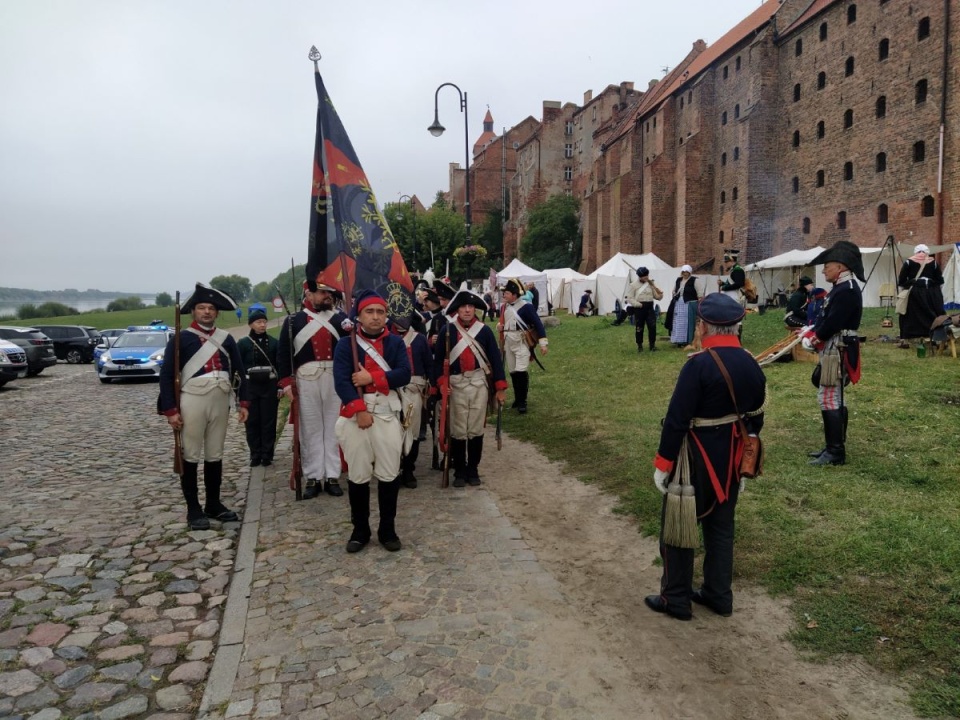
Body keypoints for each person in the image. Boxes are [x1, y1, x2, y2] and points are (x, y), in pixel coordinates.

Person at [645, 293, 766, 621]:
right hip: (731, 458)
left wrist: (662, 463)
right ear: (736, 326)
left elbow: (676, 419)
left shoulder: (698, 364)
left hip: (694, 456)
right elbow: (756, 417)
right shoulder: (752, 363)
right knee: (722, 527)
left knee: (679, 526)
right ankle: (718, 594)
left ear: (703, 326)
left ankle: (676, 598)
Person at [159, 283, 249, 531]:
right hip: (192, 400)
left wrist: (244, 401)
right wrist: (171, 411)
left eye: (211, 308)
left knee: (215, 453)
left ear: (216, 313)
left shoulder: (226, 339)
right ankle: (193, 509)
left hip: (221, 399)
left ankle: (213, 503)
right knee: (189, 454)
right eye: (201, 308)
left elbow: (240, 371)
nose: (207, 312)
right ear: (193, 312)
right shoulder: (181, 339)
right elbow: (167, 376)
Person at [334, 290, 411, 553]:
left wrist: (372, 378)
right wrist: (359, 410)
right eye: (370, 312)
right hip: (358, 414)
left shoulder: (396, 343)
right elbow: (342, 381)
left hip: (386, 412)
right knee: (358, 475)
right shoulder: (346, 345)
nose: (376, 317)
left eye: (380, 312)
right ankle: (360, 529)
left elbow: (404, 374)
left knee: (390, 474)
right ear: (359, 316)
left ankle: (387, 529)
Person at [277, 279, 348, 499]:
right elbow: (283, 354)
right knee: (311, 429)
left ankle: (332, 475)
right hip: (306, 380)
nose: (327, 296)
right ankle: (314, 476)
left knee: (334, 427)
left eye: (328, 292)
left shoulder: (340, 320)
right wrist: (286, 383)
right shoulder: (293, 322)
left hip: (335, 379)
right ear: (308, 295)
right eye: (321, 292)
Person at [798, 241, 864, 466]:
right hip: (835, 343)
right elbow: (827, 317)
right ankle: (834, 446)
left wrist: (816, 337)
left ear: (841, 267)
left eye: (828, 266)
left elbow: (834, 321)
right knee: (831, 392)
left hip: (838, 345)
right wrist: (812, 329)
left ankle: (836, 451)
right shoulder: (842, 288)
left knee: (828, 394)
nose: (824, 270)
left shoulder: (847, 289)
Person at [434, 290, 507, 486]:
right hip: (455, 384)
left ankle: (472, 469)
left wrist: (500, 387)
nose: (467, 310)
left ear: (475, 309)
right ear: (457, 309)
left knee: (475, 429)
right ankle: (459, 470)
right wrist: (442, 383)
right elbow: (438, 361)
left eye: (470, 307)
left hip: (478, 383)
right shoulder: (447, 330)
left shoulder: (484, 331)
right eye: (463, 307)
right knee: (458, 430)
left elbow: (495, 361)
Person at [391, 311, 432, 489]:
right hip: (392, 391)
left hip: (414, 389)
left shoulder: (420, 339)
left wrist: (435, 386)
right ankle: (393, 469)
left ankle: (408, 470)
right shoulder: (388, 339)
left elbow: (428, 365)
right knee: (393, 431)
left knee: (412, 431)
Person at [237, 304, 279, 467]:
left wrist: (280, 386)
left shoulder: (274, 343)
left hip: (269, 386)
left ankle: (267, 454)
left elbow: (279, 364)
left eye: (264, 322)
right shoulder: (243, 344)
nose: (262, 325)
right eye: (258, 322)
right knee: (252, 422)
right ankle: (255, 454)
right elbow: (238, 367)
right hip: (250, 387)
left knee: (268, 421)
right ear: (251, 324)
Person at [498, 278, 548, 414]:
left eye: (506, 293)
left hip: (521, 342)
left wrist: (543, 344)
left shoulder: (526, 306)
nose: (504, 295)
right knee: (513, 372)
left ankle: (522, 401)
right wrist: (500, 327)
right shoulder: (505, 307)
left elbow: (538, 324)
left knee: (521, 371)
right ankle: (517, 398)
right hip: (509, 342)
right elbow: (505, 325)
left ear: (514, 295)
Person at [898, 243, 945, 344]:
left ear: (916, 252)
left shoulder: (909, 262)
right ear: (927, 252)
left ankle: (906, 339)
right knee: (933, 313)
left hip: (914, 292)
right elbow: (940, 280)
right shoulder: (934, 263)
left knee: (911, 314)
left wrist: (910, 283)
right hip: (931, 292)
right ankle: (934, 336)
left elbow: (901, 281)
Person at [627, 267, 660, 352]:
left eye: (647, 275)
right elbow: (630, 298)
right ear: (640, 276)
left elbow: (656, 296)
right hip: (640, 308)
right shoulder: (633, 285)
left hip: (650, 307)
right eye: (644, 276)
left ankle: (652, 345)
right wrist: (638, 305)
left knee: (652, 327)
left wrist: (660, 294)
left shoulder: (651, 283)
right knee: (639, 327)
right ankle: (640, 346)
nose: (646, 277)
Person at [666, 265, 700, 346]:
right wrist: (674, 295)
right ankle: (678, 341)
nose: (685, 274)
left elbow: (700, 293)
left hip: (689, 304)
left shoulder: (695, 280)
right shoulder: (678, 280)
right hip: (678, 304)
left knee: (687, 323)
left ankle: (687, 341)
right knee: (677, 322)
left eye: (686, 272)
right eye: (683, 272)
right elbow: (674, 290)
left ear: (689, 272)